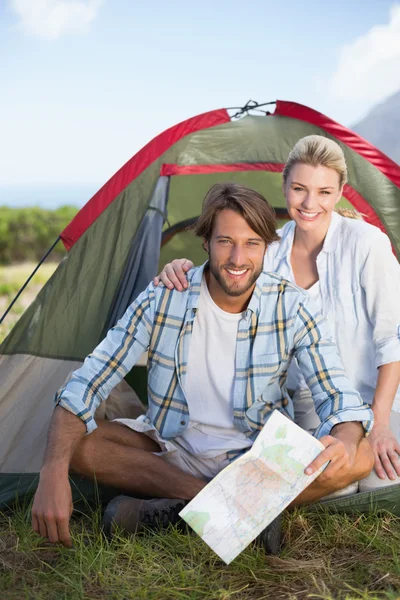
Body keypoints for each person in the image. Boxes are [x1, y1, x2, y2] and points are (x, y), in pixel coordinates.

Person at [32, 182, 374, 549]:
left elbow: (336, 393)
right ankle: (238, 515)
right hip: (173, 453)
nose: (238, 258)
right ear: (205, 243)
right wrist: (52, 472)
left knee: (360, 455)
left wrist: (346, 437)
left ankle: (180, 512)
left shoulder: (293, 305)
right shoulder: (164, 298)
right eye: (225, 241)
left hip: (259, 459)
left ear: (267, 248)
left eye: (252, 244)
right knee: (79, 446)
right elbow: (87, 382)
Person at [155, 135, 400, 493]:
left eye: (324, 192)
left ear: (340, 191)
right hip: (309, 403)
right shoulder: (270, 253)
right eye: (300, 188)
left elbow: (390, 339)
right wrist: (179, 268)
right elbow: (225, 273)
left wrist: (378, 424)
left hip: (377, 396)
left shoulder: (367, 244)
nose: (310, 203)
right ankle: (203, 503)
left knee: (382, 483)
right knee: (337, 485)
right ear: (284, 185)